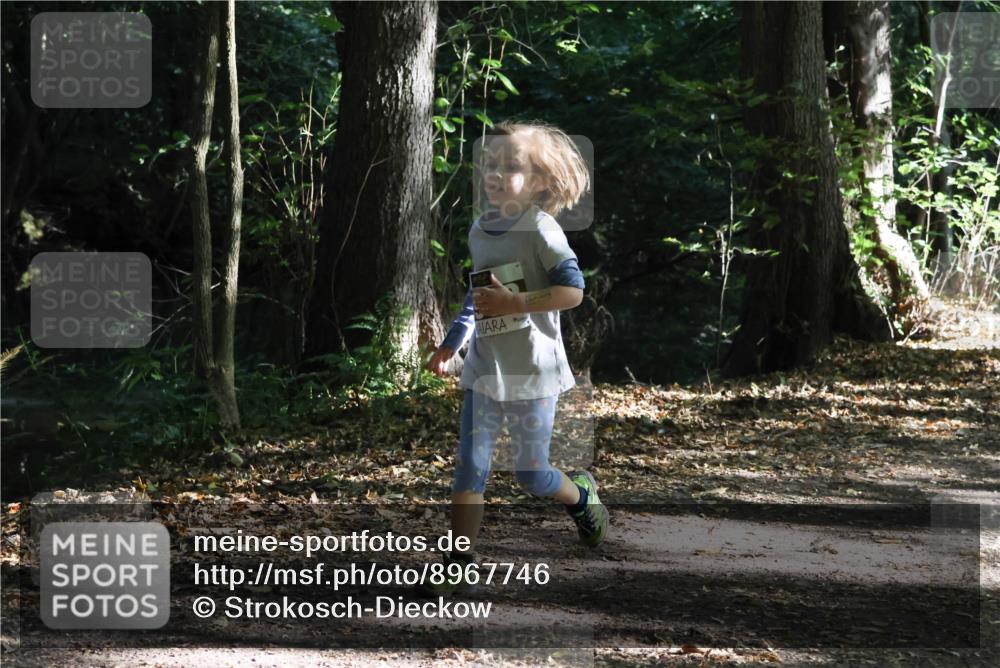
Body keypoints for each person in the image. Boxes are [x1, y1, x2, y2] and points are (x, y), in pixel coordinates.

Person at [422, 120, 608, 595]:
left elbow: (572, 292)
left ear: (542, 181)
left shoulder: (540, 230)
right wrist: (452, 342)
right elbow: (477, 294)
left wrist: (517, 304)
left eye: (512, 167)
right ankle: (458, 561)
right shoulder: (480, 228)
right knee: (470, 464)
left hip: (532, 370)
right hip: (486, 367)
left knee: (531, 473)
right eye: (492, 165)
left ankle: (580, 496)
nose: (497, 174)